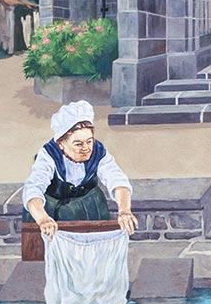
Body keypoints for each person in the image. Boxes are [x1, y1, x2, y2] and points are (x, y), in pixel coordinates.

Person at [22, 101, 137, 240]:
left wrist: (124, 210)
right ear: (61, 143)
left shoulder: (98, 151)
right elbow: (34, 187)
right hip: (52, 215)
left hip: (91, 210)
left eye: (89, 141)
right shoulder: (48, 155)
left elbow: (116, 179)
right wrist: (42, 219)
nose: (86, 148)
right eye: (78, 144)